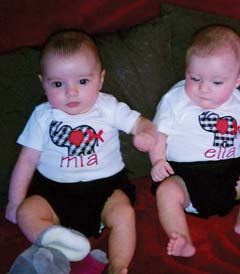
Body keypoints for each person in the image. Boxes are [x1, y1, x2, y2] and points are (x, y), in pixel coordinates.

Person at [5, 30, 158, 274]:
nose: (71, 91)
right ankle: (60, 240)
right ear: (43, 83)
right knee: (27, 212)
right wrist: (14, 201)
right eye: (58, 84)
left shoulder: (107, 107)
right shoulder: (43, 116)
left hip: (106, 188)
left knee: (124, 215)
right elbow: (27, 160)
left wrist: (145, 134)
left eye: (83, 81)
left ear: (101, 78)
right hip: (53, 192)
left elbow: (142, 123)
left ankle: (118, 266)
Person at [149, 25, 240, 257]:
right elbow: (159, 134)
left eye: (217, 82)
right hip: (186, 177)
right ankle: (182, 237)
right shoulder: (175, 99)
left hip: (230, 173)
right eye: (194, 78)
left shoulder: (238, 100)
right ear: (186, 70)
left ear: (238, 79)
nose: (204, 89)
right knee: (166, 191)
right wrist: (157, 161)